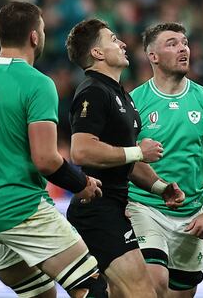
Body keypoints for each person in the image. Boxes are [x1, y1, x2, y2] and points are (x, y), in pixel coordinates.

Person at [0, 1, 107, 298]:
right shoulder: (37, 83)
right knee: (91, 286)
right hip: (21, 209)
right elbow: (46, 159)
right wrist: (82, 184)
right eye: (44, 29)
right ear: (34, 37)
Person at [65, 19, 185, 298]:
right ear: (97, 53)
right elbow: (81, 150)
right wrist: (139, 151)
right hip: (97, 208)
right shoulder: (93, 91)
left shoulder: (122, 96)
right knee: (143, 292)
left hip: (114, 205)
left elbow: (124, 161)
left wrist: (159, 187)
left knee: (116, 293)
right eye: (113, 38)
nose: (121, 43)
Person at [127, 22, 203, 297]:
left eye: (184, 42)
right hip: (145, 207)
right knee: (155, 282)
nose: (183, 48)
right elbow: (124, 159)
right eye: (171, 43)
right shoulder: (134, 103)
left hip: (191, 215)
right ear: (153, 56)